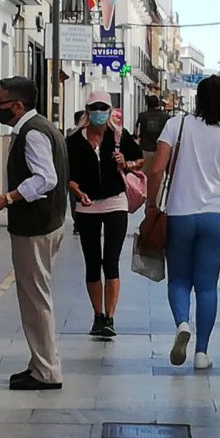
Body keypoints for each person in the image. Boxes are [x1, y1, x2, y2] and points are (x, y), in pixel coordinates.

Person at [145, 75, 220, 370]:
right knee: (207, 286)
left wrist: (151, 204)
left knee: (178, 279)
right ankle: (202, 353)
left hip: (179, 214)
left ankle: (182, 324)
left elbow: (157, 169)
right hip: (215, 216)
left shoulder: (177, 125)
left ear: (198, 99)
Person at [0, 76, 68, 390]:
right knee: (35, 297)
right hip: (45, 224)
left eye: (0, 102)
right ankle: (39, 363)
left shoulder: (32, 133)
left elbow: (46, 178)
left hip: (35, 227)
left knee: (35, 300)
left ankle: (46, 371)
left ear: (17, 105)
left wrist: (7, 198)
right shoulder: (41, 127)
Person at [67, 91, 143, 338]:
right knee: (92, 262)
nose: (99, 113)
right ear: (87, 111)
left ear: (110, 112)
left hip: (115, 203)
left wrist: (126, 163)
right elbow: (67, 173)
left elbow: (139, 159)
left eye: (104, 108)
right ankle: (97, 315)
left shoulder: (119, 136)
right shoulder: (74, 140)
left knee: (110, 261)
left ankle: (110, 317)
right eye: (94, 108)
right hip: (87, 205)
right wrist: (77, 191)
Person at [135, 95, 170, 176]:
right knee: (158, 174)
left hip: (145, 149)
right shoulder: (165, 117)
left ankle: (144, 188)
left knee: (145, 173)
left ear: (147, 104)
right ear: (157, 104)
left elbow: (136, 132)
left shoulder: (142, 116)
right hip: (160, 149)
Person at [68, 110, 86, 234]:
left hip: (86, 175)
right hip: (73, 175)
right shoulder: (71, 138)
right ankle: (78, 224)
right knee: (74, 200)